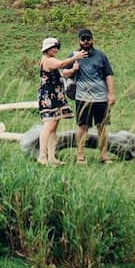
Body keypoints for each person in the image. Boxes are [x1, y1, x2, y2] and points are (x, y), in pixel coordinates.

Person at [37, 36, 88, 166]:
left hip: (56, 95)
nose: (55, 50)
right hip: (49, 96)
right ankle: (42, 156)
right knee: (48, 126)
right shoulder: (47, 60)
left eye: (56, 48)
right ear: (47, 49)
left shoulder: (50, 60)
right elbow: (61, 64)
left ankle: (52, 156)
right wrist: (75, 58)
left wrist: (73, 70)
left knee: (54, 127)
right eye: (53, 48)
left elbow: (62, 73)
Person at [71, 28, 116, 165]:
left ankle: (104, 155)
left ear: (92, 40)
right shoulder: (74, 55)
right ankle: (80, 154)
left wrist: (111, 94)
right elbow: (63, 71)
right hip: (82, 97)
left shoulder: (101, 56)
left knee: (102, 126)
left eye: (88, 39)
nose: (86, 42)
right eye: (83, 39)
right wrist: (74, 68)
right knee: (83, 126)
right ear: (79, 41)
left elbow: (108, 75)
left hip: (101, 97)